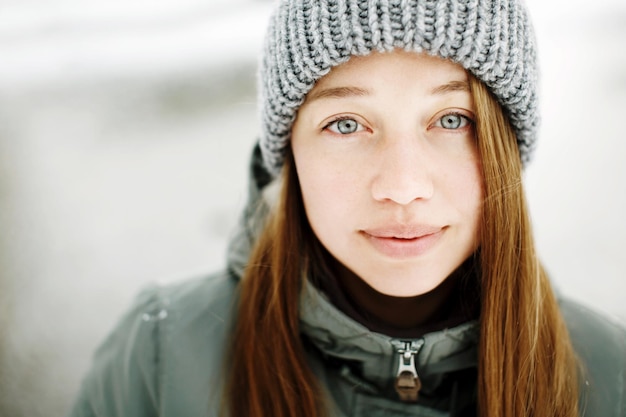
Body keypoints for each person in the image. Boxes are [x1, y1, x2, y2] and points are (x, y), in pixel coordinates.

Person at [68, 0, 626, 416]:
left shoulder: (611, 376)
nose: (403, 187)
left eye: (453, 120)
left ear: (505, 147)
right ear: (290, 155)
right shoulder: (160, 361)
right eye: (346, 124)